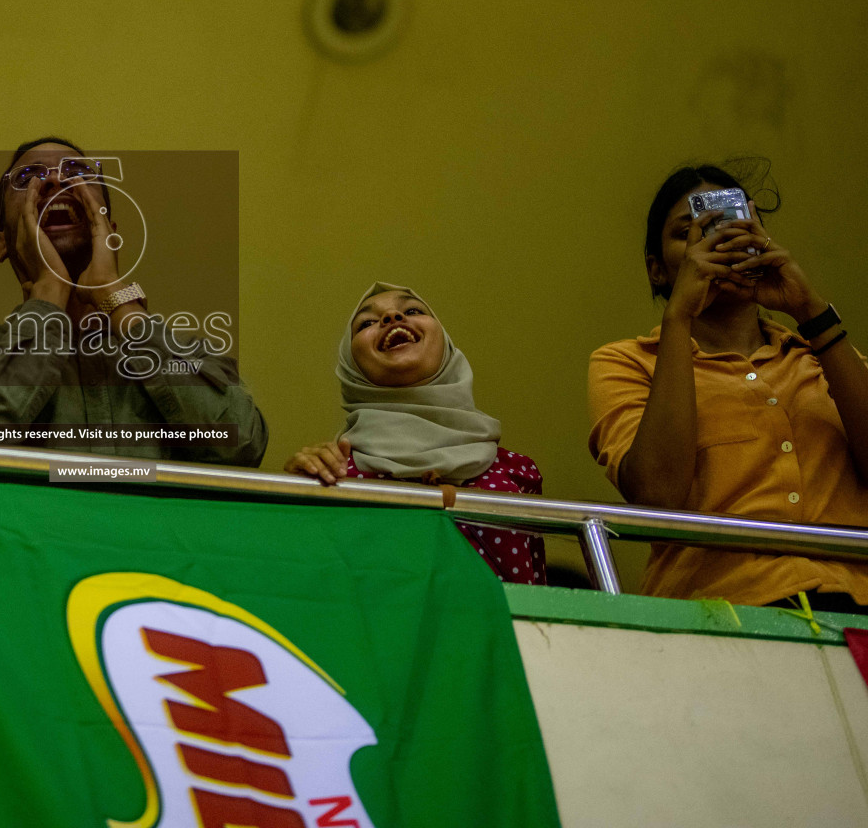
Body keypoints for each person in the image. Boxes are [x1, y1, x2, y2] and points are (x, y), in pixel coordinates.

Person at [588, 163, 868, 612]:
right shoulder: (624, 362)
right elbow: (657, 494)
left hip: (857, 602)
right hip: (716, 611)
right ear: (657, 270)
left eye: (732, 224)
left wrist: (810, 309)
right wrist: (678, 317)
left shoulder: (822, 353)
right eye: (689, 233)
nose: (716, 242)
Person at [0, 137, 267, 465]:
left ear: (111, 232)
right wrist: (48, 296)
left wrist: (116, 296)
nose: (53, 181)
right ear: (3, 243)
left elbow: (242, 444)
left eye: (77, 172)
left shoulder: (191, 356)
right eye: (28, 175)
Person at [284, 282, 546, 585]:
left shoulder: (517, 472)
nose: (393, 317)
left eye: (411, 310)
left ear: (445, 345)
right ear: (350, 366)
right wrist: (296, 487)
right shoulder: (333, 472)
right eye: (367, 323)